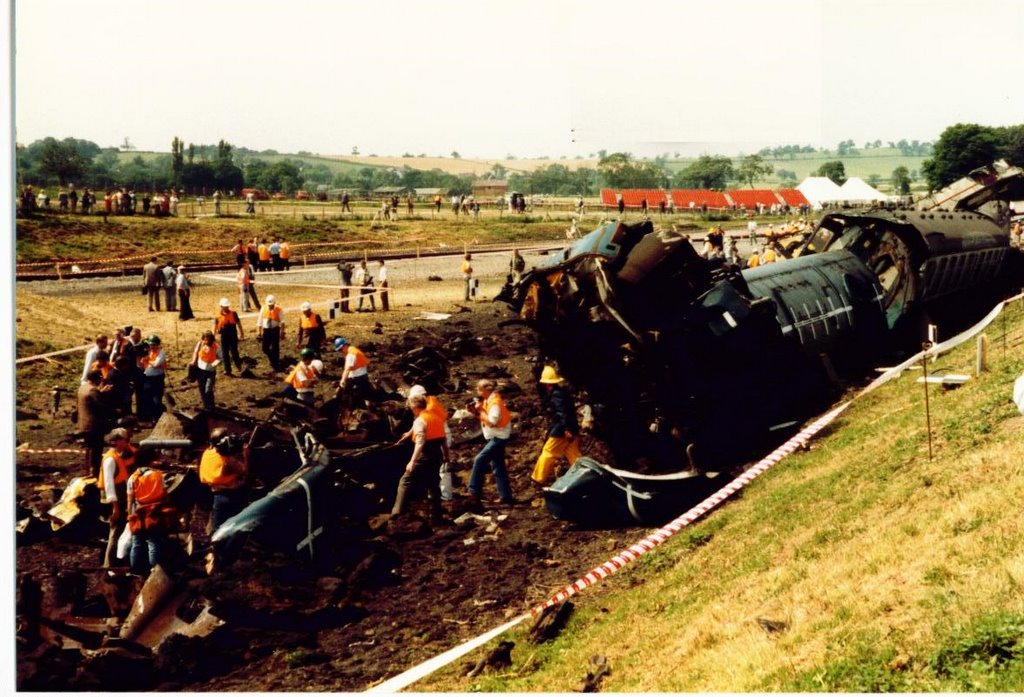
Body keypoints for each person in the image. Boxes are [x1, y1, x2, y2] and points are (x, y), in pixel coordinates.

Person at [391, 394, 450, 523]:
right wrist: (446, 456)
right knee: (433, 484)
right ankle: (436, 515)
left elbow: (420, 442)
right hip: (437, 454)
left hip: (425, 455)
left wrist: (412, 461)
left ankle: (397, 514)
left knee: (405, 481)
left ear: (414, 407)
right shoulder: (436, 417)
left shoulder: (420, 420)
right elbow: (444, 440)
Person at [530, 365, 581, 485]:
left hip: (561, 430)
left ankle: (538, 478)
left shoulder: (556, 394)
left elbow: (562, 412)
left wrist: (566, 429)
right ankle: (582, 473)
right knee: (573, 453)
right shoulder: (561, 392)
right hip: (570, 427)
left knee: (548, 452)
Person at [467, 379, 514, 505]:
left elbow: (492, 422)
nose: (477, 392)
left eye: (478, 389)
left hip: (499, 437)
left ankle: (473, 491)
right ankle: (506, 496)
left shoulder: (495, 403)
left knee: (479, 459)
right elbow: (485, 417)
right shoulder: (489, 400)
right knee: (498, 466)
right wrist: (475, 412)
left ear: (485, 390)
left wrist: (480, 411)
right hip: (495, 436)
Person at [126, 465, 176, 575]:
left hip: (138, 513)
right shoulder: (158, 475)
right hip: (154, 513)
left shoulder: (132, 478)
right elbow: (165, 495)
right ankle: (154, 570)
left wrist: (130, 516)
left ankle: (135, 570)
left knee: (137, 542)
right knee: (153, 542)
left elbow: (130, 500)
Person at [199, 427, 250, 532]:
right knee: (238, 525)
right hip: (232, 495)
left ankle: (217, 546)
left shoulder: (207, 453)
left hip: (216, 495)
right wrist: (246, 455)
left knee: (217, 528)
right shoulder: (227, 460)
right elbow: (244, 470)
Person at [100, 427, 137, 567]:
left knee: (121, 530)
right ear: (116, 441)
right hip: (114, 500)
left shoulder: (121, 455)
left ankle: (118, 561)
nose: (128, 442)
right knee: (115, 531)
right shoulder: (110, 460)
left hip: (121, 497)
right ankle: (108, 565)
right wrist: (115, 508)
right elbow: (109, 486)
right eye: (125, 440)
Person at [77, 370, 112, 477]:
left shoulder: (83, 387)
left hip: (84, 423)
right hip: (94, 424)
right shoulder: (93, 390)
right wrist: (105, 394)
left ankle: (89, 469)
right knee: (96, 449)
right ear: (96, 379)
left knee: (89, 448)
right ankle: (94, 471)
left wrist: (101, 392)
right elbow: (101, 405)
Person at [334, 337, 372, 406]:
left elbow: (347, 369)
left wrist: (342, 382)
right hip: (363, 376)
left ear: (344, 345)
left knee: (346, 396)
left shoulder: (351, 354)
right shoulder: (354, 350)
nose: (341, 351)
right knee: (366, 396)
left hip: (357, 378)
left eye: (340, 349)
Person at [190, 330, 222, 410]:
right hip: (200, 370)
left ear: (212, 339)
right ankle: (206, 406)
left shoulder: (217, 347)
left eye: (208, 339)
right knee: (202, 389)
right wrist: (194, 361)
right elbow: (195, 352)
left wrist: (214, 364)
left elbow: (221, 357)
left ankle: (211, 405)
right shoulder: (200, 344)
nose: (207, 341)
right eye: (205, 339)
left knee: (208, 389)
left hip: (210, 371)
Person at [139, 336, 168, 423]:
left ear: (156, 345)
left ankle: (160, 416)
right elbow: (141, 362)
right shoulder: (149, 352)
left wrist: (147, 360)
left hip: (157, 379)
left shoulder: (161, 353)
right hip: (147, 378)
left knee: (157, 400)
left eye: (152, 345)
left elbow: (156, 364)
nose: (150, 347)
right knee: (148, 399)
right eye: (150, 345)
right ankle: (153, 417)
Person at [214, 298, 244, 377]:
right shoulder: (217, 316)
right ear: (221, 306)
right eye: (224, 306)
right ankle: (227, 370)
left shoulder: (233, 314)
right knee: (225, 353)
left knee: (234, 351)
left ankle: (238, 365)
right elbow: (215, 326)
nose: (226, 308)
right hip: (224, 336)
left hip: (232, 335)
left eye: (227, 306)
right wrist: (214, 336)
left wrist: (242, 333)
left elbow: (238, 323)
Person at [256, 295, 284, 372]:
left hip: (275, 330)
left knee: (275, 348)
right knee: (265, 348)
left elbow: (282, 322)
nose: (270, 306)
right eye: (269, 305)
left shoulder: (279, 309)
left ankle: (276, 364)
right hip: (266, 330)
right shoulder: (263, 308)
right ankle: (273, 359)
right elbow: (259, 321)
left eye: (271, 305)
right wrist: (259, 332)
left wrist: (282, 332)